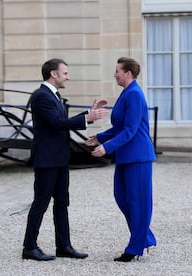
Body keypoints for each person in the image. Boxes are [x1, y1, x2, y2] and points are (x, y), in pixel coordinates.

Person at [22, 58, 108, 261]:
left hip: (59, 159)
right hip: (47, 159)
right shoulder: (41, 96)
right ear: (53, 74)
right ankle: (29, 247)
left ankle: (64, 246)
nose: (68, 77)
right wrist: (88, 118)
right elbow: (56, 123)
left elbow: (62, 122)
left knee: (62, 203)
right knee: (40, 203)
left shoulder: (55, 95)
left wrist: (89, 113)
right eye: (65, 73)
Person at [86, 57, 157, 262]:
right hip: (126, 156)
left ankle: (134, 248)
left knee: (138, 202)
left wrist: (106, 147)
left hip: (138, 156)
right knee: (122, 197)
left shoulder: (134, 94)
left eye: (117, 71)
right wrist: (99, 137)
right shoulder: (126, 93)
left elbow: (131, 130)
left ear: (128, 73)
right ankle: (145, 237)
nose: (114, 74)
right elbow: (119, 128)